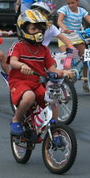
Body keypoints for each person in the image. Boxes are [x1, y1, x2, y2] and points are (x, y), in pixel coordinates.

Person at [8, 8, 75, 136]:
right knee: (29, 96)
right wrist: (22, 65)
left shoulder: (44, 50)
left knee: (52, 98)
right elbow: (12, 61)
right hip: (20, 82)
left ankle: (55, 128)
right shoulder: (18, 46)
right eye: (33, 29)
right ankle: (16, 119)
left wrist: (64, 72)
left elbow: (52, 69)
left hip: (37, 83)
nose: (38, 32)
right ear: (24, 30)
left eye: (40, 29)